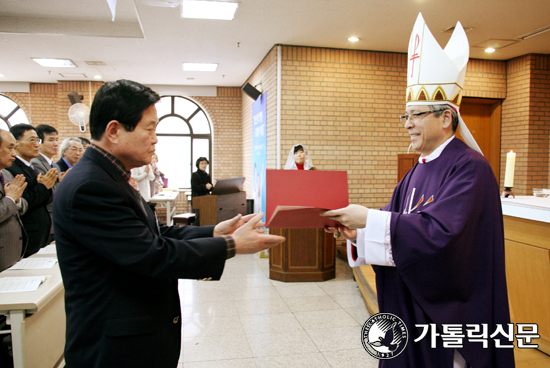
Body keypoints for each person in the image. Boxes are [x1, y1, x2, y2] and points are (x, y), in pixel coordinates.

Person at [323, 14, 514, 367]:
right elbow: (399, 222)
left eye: (416, 115)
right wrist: (358, 233)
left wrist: (370, 218)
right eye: (405, 116)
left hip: (445, 315)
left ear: (445, 118)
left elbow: (443, 235)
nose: (407, 124)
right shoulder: (416, 172)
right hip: (411, 309)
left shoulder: (469, 167)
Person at [53, 79, 285, 368]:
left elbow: (153, 232)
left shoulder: (108, 175)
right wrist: (232, 244)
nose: (155, 138)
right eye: (149, 128)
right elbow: (152, 254)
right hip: (113, 348)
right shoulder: (90, 185)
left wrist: (214, 230)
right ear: (114, 130)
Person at [7, 124, 57, 257]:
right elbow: (21, 203)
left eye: (37, 140)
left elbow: (45, 198)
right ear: (16, 143)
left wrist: (47, 187)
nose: (37, 145)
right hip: (28, 234)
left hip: (42, 232)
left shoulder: (30, 167)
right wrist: (42, 187)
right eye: (32, 140)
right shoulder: (12, 168)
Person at [31, 124, 68, 243]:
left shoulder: (54, 165)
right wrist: (62, 184)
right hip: (46, 220)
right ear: (39, 142)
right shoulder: (36, 163)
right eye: (51, 140)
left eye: (57, 140)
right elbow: (46, 192)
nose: (56, 144)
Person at [0, 130, 28, 271]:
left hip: (14, 251)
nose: (14, 154)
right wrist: (10, 198)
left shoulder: (7, 174)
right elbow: (9, 200)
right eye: (10, 148)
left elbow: (22, 204)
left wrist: (16, 201)